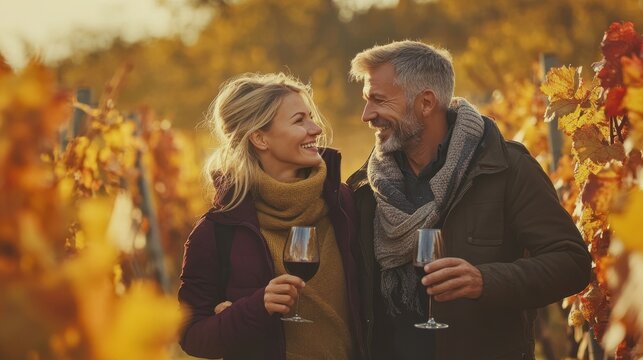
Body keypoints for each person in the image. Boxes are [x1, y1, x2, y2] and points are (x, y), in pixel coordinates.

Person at [346, 40, 592, 360]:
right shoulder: (365, 187)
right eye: (367, 100)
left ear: (425, 103)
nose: (367, 114)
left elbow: (572, 263)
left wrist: (485, 281)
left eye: (378, 100)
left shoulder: (507, 168)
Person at [178, 73, 366, 360]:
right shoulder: (216, 231)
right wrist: (254, 308)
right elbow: (192, 337)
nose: (315, 128)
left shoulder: (346, 204)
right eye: (299, 120)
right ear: (260, 138)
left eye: (311, 117)